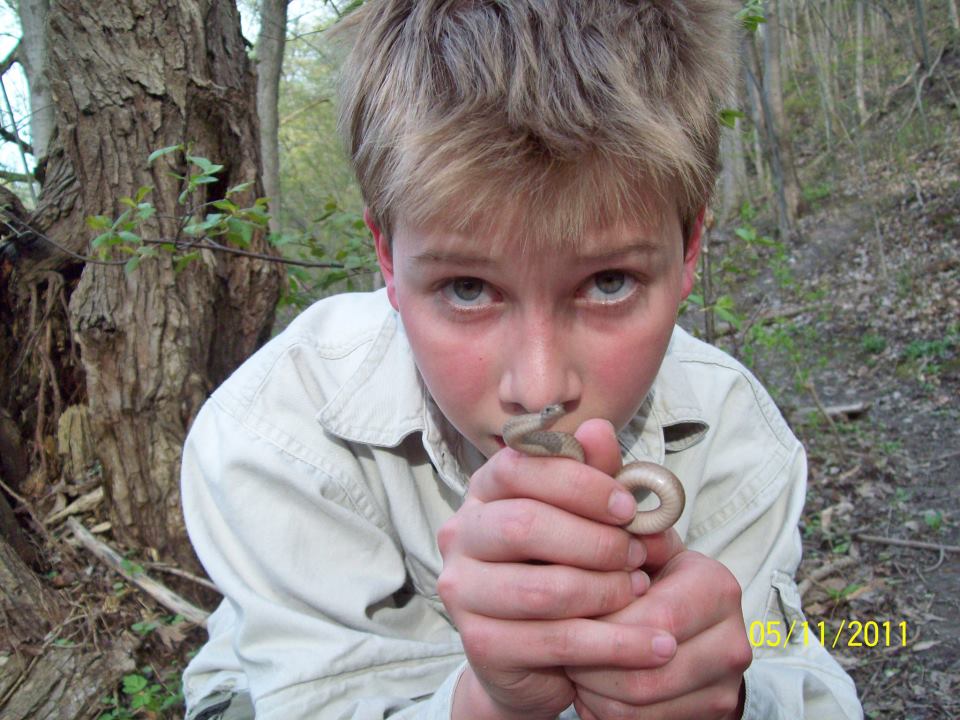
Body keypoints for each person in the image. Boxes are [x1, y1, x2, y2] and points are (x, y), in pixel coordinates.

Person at [180, 1, 863, 718]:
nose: (539, 390)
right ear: (385, 252)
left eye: (609, 283)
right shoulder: (277, 438)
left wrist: (730, 701)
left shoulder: (730, 433)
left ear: (690, 247)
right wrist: (488, 708)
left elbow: (793, 671)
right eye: (467, 289)